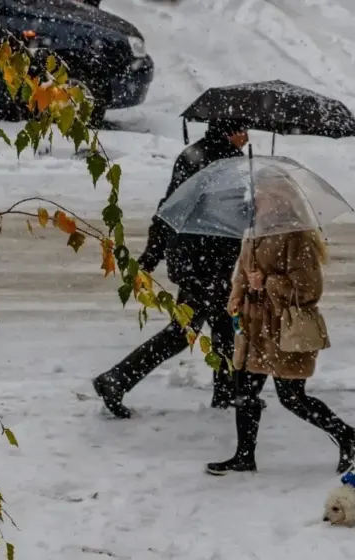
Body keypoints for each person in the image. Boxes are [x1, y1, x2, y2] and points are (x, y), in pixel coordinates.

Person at [206, 184, 355, 475]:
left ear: (279, 200)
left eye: (262, 193)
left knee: (292, 397)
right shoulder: (254, 233)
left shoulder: (296, 237)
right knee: (244, 391)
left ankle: (348, 435)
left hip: (282, 329)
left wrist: (267, 283)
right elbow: (241, 275)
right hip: (253, 326)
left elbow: (309, 289)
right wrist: (236, 299)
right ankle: (244, 456)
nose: (254, 198)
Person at [92, 119, 250, 419]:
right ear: (230, 132)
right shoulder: (209, 162)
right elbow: (172, 209)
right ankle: (116, 379)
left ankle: (228, 391)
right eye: (243, 130)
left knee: (223, 323)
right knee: (184, 331)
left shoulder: (214, 158)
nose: (247, 136)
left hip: (206, 259)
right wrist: (150, 258)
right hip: (201, 260)